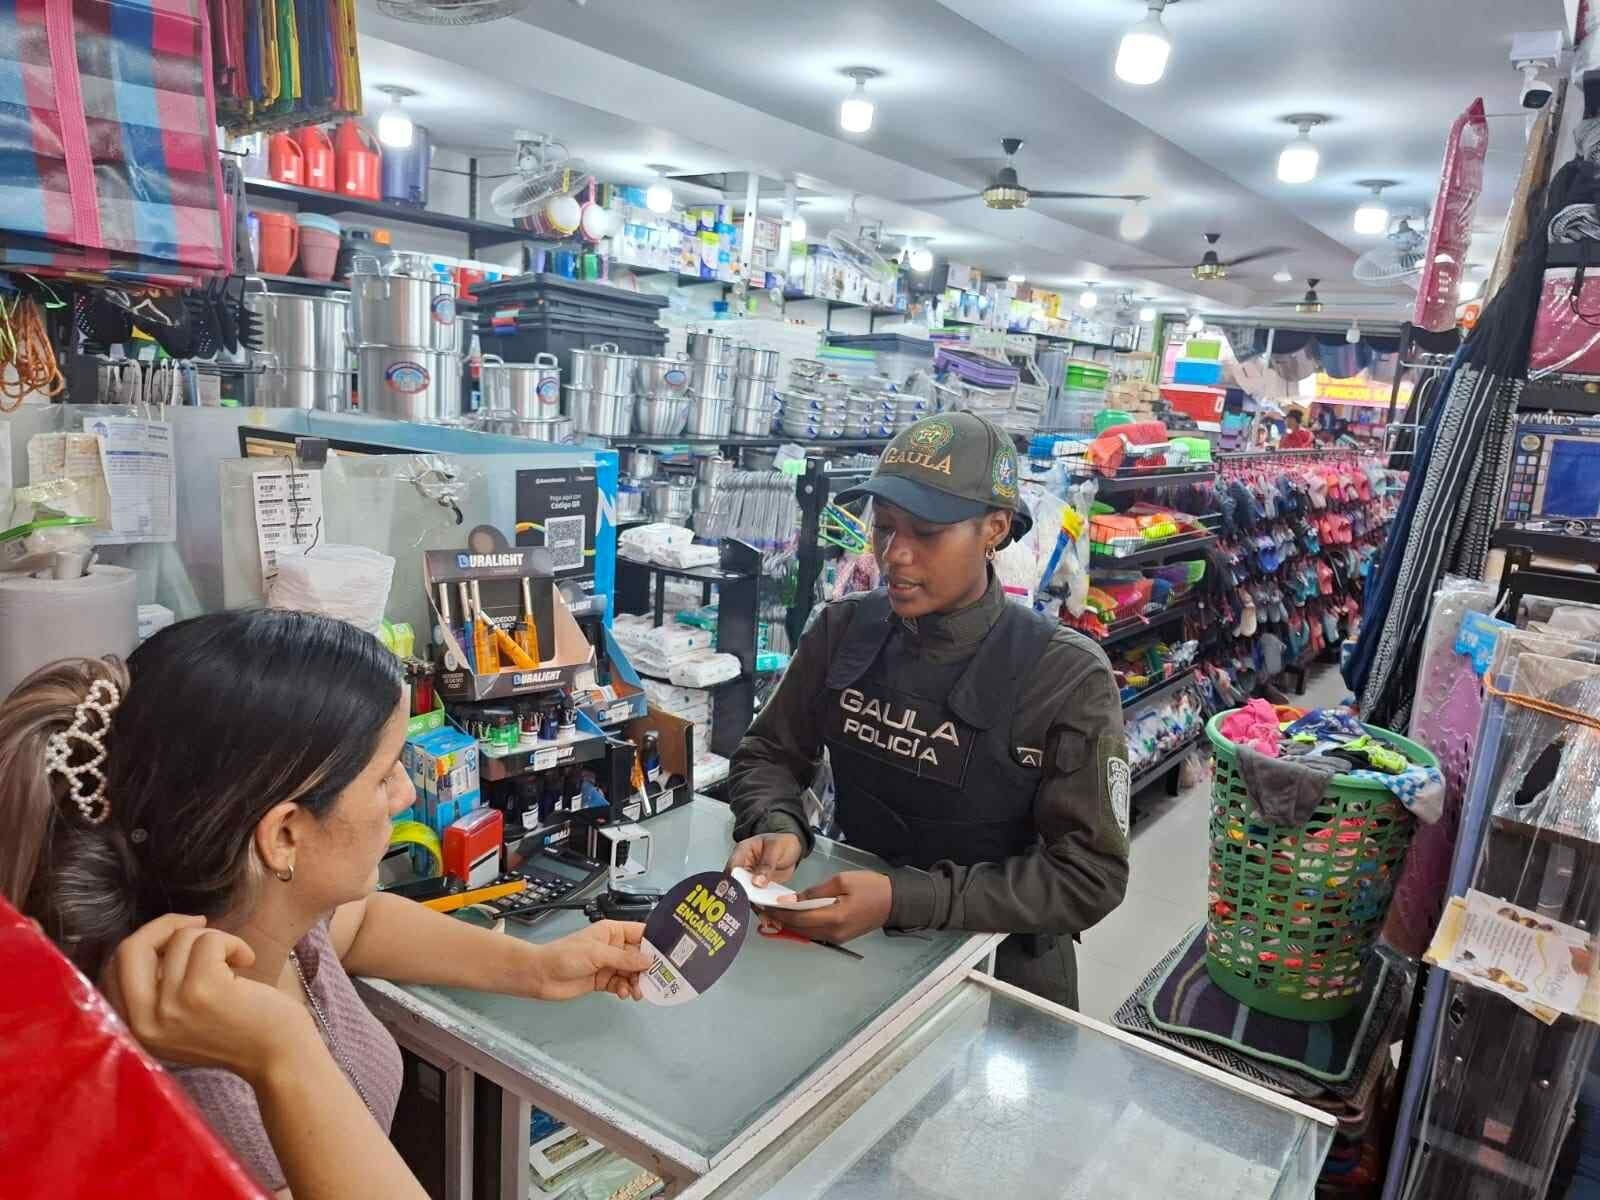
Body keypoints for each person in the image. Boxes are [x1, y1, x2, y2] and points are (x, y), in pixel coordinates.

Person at [0, 610, 650, 1198]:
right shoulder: (199, 1110)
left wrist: (535, 969)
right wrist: (284, 1055)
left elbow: (359, 926)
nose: (403, 794)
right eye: (385, 772)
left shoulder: (267, 918)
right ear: (284, 835)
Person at [726, 413, 1130, 1008]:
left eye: (926, 533)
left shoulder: (1064, 675)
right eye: (884, 528)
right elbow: (768, 755)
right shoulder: (843, 630)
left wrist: (904, 897)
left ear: (994, 528)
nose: (895, 555)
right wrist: (777, 824)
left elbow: (1089, 874)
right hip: (854, 951)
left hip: (997, 976)